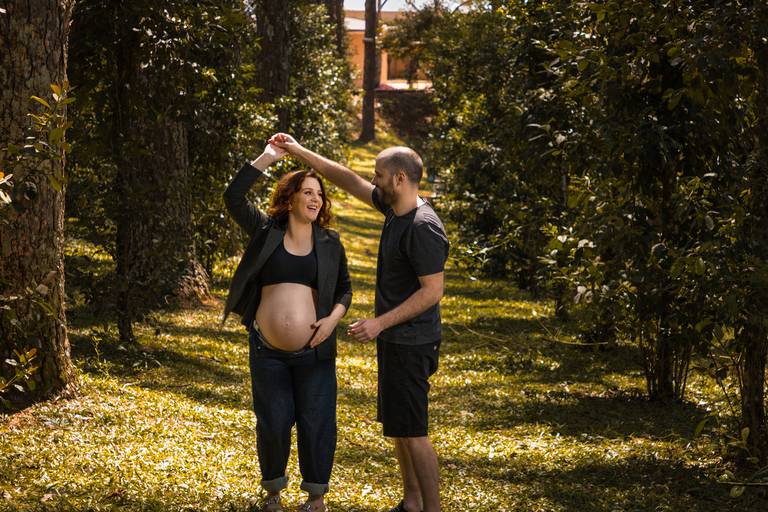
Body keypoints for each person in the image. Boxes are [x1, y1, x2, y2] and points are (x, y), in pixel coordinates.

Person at [270, 133, 449, 512]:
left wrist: (380, 323)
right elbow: (349, 180)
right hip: (397, 341)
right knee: (401, 428)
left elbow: (432, 291)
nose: (374, 180)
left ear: (400, 178)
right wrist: (299, 150)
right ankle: (412, 503)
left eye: (380, 174)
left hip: (413, 341)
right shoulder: (395, 209)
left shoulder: (422, 225)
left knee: (414, 432)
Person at [222, 143, 352, 512]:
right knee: (274, 421)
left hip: (315, 350)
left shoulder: (330, 243)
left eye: (319, 194)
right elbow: (232, 197)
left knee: (317, 422)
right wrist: (267, 158)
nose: (315, 199)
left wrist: (332, 320)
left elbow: (345, 290)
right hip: (268, 350)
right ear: (290, 198)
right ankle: (274, 492)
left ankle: (316, 498)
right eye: (307, 192)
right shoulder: (266, 231)